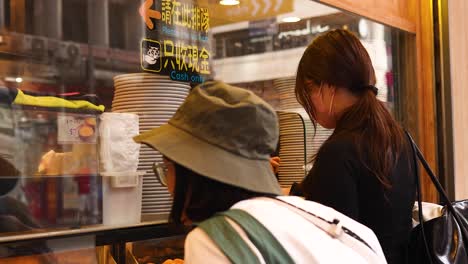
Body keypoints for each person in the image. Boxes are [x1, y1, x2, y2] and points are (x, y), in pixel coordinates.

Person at [134, 81, 387, 263]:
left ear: (193, 172)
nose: (167, 183)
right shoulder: (315, 214)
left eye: (168, 168)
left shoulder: (214, 240)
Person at [293, 29, 415, 264]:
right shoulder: (400, 139)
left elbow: (334, 245)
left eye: (308, 90)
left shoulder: (339, 151)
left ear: (326, 87)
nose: (308, 104)